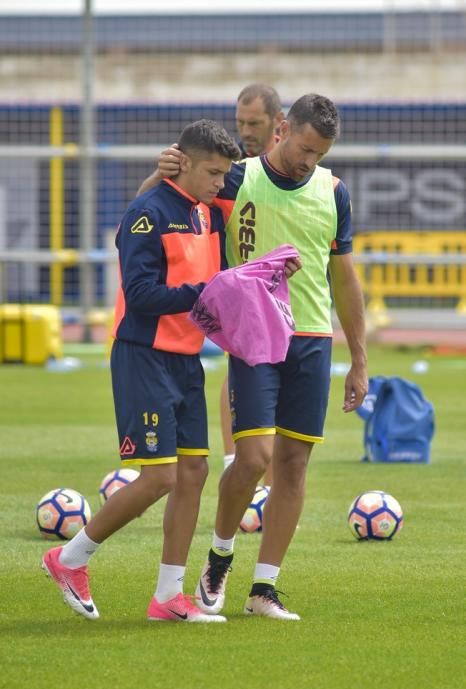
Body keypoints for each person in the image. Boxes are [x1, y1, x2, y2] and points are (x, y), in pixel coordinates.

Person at [138, 93, 368, 621]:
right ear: (284, 128)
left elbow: (344, 277)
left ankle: (264, 588)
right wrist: (160, 176)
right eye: (305, 147)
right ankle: (220, 554)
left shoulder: (334, 191)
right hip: (255, 336)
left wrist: (358, 357)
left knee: (294, 463)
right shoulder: (237, 178)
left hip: (312, 339)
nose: (309, 160)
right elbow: (157, 209)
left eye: (320, 152)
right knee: (254, 457)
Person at [41, 119, 242, 623]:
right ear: (186, 164)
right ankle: (69, 558)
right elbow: (142, 294)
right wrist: (208, 295)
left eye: (225, 174)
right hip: (142, 357)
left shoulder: (207, 213)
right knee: (159, 478)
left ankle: (168, 598)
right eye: (214, 173)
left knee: (194, 472)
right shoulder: (147, 215)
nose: (222, 183)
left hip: (186, 360)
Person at [139, 84, 284, 485]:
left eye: (254, 122)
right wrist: (161, 173)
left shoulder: (288, 173)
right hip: (237, 297)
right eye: (240, 122)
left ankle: (270, 482)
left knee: (282, 390)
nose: (246, 130)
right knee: (241, 372)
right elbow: (146, 210)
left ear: (279, 123)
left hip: (282, 293)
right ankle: (235, 468)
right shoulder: (225, 174)